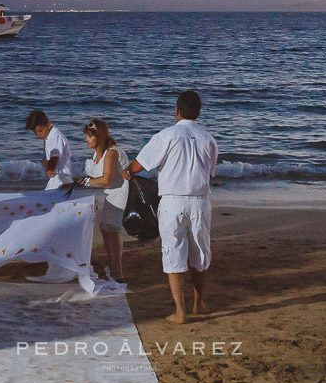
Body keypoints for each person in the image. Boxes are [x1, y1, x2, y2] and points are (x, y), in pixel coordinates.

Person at [124, 90, 217, 324]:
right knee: (200, 253)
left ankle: (180, 311)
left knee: (173, 252)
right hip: (200, 201)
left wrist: (127, 171)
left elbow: (139, 165)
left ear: (176, 112)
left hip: (173, 201)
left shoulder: (166, 136)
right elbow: (210, 172)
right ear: (198, 112)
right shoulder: (208, 139)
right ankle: (199, 302)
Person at [73, 119, 129, 283]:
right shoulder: (98, 153)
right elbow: (99, 178)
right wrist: (81, 180)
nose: (86, 140)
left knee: (111, 230)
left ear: (99, 136)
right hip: (111, 194)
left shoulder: (111, 152)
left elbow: (106, 179)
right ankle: (114, 268)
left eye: (89, 136)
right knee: (106, 229)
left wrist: (86, 182)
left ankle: (117, 272)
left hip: (120, 194)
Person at [25, 110, 72, 189]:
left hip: (61, 181)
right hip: (56, 179)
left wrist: (50, 168)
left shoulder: (55, 136)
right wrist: (45, 162)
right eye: (35, 132)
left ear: (48, 125)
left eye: (40, 131)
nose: (38, 135)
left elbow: (55, 155)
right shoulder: (49, 137)